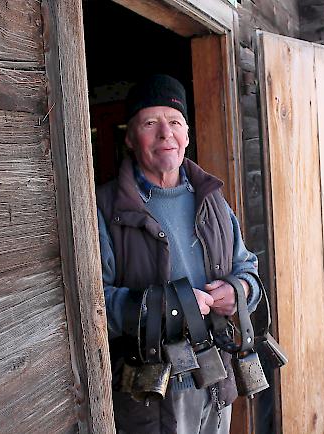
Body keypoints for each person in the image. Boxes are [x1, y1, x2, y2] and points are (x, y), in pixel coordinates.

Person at [95, 74, 261, 434]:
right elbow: (94, 305)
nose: (164, 133)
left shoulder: (212, 198)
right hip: (151, 392)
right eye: (149, 123)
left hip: (217, 380)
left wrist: (239, 291)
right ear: (130, 137)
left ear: (187, 134)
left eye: (174, 122)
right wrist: (169, 308)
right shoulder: (105, 208)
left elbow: (246, 267)